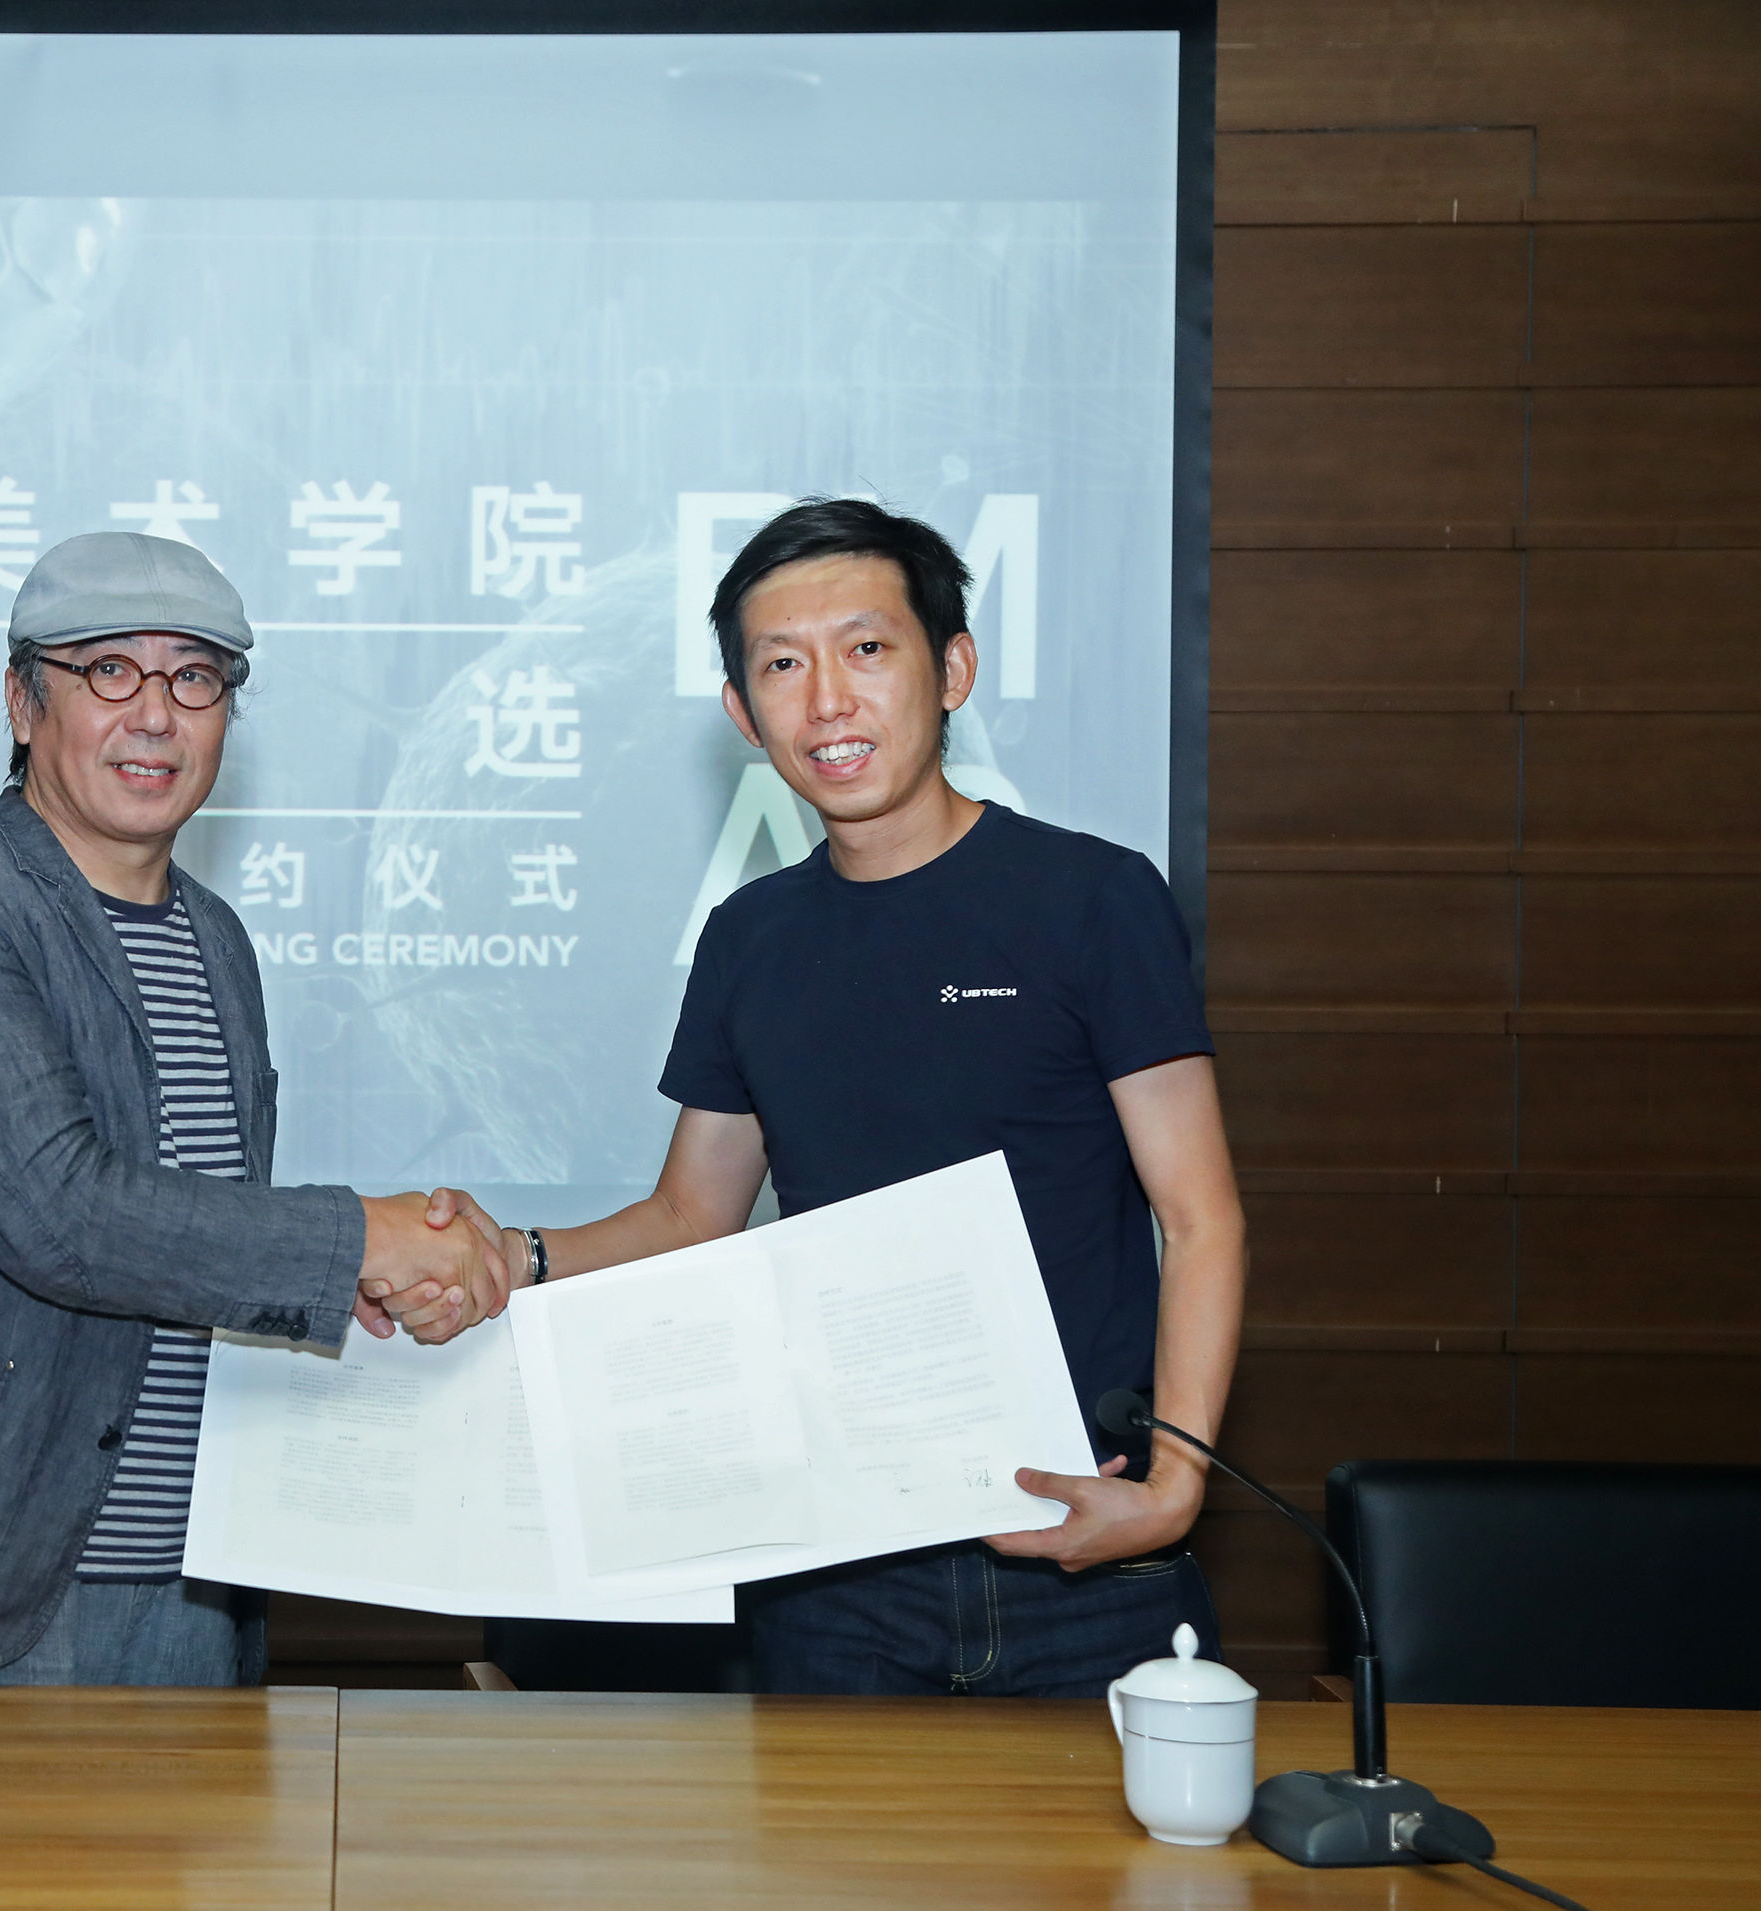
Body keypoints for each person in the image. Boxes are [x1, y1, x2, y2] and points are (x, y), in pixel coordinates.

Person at [385, 497, 1245, 1698]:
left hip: (1086, 1554)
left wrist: (1177, 1480)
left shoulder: (1092, 898)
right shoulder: (751, 937)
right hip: (839, 1569)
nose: (827, 700)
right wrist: (504, 1254)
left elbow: (1200, 1216)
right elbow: (690, 1215)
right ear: (744, 713)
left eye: (867, 648)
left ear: (953, 669)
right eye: (783, 666)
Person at [0, 531, 509, 1688]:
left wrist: (361, 1279)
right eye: (109, 669)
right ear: (22, 701)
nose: (156, 714)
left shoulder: (216, 939)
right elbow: (60, 1212)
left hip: (191, 1579)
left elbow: (198, 1236)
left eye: (195, 676)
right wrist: (362, 1234)